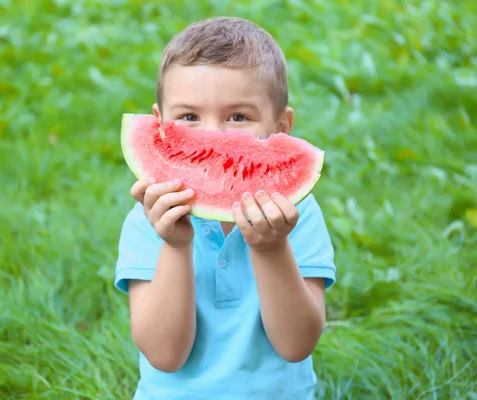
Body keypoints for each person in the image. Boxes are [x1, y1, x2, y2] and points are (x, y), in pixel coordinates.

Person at [114, 16, 336, 400]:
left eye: (238, 117)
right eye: (188, 118)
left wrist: (271, 248)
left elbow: (297, 344)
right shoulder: (149, 221)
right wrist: (175, 246)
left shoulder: (297, 216)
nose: (213, 137)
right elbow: (165, 355)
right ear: (158, 123)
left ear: (282, 128)